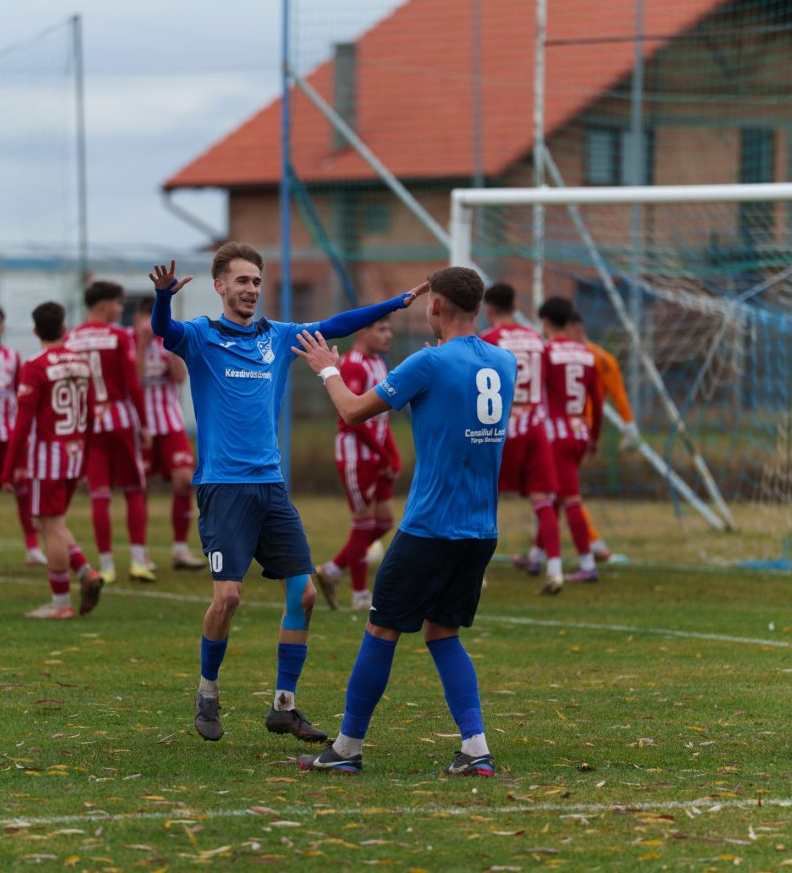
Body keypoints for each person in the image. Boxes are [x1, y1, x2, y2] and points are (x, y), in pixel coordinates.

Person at [147, 241, 427, 745]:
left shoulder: (279, 336)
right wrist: (163, 298)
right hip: (223, 489)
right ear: (219, 287)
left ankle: (285, 706)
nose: (250, 289)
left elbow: (339, 323)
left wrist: (397, 303)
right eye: (241, 281)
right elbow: (162, 331)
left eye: (256, 281)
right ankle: (208, 690)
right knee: (228, 597)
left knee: (305, 592)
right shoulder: (201, 336)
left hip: (270, 488)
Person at [291, 265, 516, 777]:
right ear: (478, 307)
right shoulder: (505, 363)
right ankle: (476, 748)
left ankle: (346, 749)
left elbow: (352, 412)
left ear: (434, 306)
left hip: (430, 527)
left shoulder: (427, 363)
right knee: (443, 632)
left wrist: (328, 368)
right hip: (481, 528)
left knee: (380, 629)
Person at [1, 302, 98, 619]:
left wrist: (8, 467)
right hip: (75, 452)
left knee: (51, 526)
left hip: (48, 458)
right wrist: (86, 457)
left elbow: (23, 422)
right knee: (51, 521)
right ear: (64, 328)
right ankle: (85, 570)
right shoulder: (82, 364)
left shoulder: (35, 365)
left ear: (35, 331)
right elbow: (90, 414)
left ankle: (60, 604)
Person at [65, 282, 154, 585]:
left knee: (100, 495)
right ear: (104, 305)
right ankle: (138, 561)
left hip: (89, 424)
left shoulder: (71, 339)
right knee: (133, 490)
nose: (120, 309)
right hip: (119, 420)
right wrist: (143, 424)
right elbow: (132, 384)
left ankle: (106, 565)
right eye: (118, 304)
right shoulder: (118, 336)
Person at [479, 282, 564, 594]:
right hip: (535, 427)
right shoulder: (536, 339)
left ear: (488, 309)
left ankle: (478, 573)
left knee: (484, 498)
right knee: (544, 501)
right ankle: (555, 571)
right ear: (515, 306)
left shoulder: (487, 340)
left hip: (501, 428)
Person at [314, 318, 400, 611]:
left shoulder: (378, 364)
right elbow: (350, 420)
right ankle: (360, 595)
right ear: (362, 331)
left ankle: (334, 570)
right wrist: (382, 453)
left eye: (389, 329)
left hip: (377, 455)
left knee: (385, 521)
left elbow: (381, 418)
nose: (389, 335)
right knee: (363, 524)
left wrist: (392, 455)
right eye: (382, 330)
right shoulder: (352, 365)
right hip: (356, 456)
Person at [132, 297, 206, 571]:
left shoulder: (168, 342)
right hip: (142, 427)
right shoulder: (129, 341)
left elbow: (179, 377)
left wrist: (171, 346)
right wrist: (141, 345)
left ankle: (180, 550)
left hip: (170, 422)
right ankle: (140, 554)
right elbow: (135, 380)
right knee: (141, 489)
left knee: (185, 480)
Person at [540, 297, 603, 584]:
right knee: (555, 495)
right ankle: (536, 555)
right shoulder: (587, 353)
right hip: (580, 433)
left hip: (557, 436)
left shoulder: (547, 351)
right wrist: (594, 438)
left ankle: (587, 563)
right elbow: (597, 401)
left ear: (545, 322)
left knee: (570, 499)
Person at [0, 305, 46, 566]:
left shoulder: (13, 356)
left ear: (3, 326)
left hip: (9, 435)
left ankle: (32, 548)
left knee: (23, 492)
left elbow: (22, 393)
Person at [569, 312, 638, 563]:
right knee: (555, 490)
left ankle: (594, 545)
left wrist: (629, 427)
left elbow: (618, 394)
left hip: (571, 432)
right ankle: (542, 549)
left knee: (561, 490)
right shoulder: (590, 355)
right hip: (575, 431)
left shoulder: (597, 358)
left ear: (576, 327)